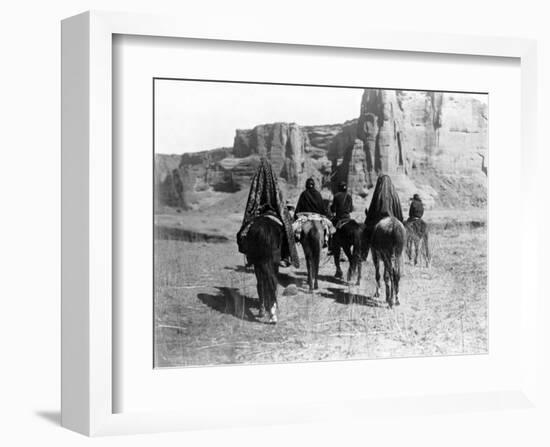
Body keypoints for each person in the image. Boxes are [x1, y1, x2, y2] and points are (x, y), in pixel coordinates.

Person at [237, 158, 299, 268]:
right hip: (274, 212)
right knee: (288, 231)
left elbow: (252, 201)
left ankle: (250, 256)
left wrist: (251, 214)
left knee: (243, 233)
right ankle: (285, 256)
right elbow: (279, 201)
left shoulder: (256, 181)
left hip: (259, 213)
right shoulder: (274, 182)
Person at [293, 177, 333, 248]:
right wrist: (325, 214)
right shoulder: (318, 194)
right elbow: (322, 208)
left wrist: (295, 216)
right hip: (317, 217)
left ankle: (294, 241)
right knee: (329, 227)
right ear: (313, 185)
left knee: (292, 228)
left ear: (306, 185)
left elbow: (299, 207)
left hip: (305, 217)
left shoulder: (304, 194)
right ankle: (327, 242)